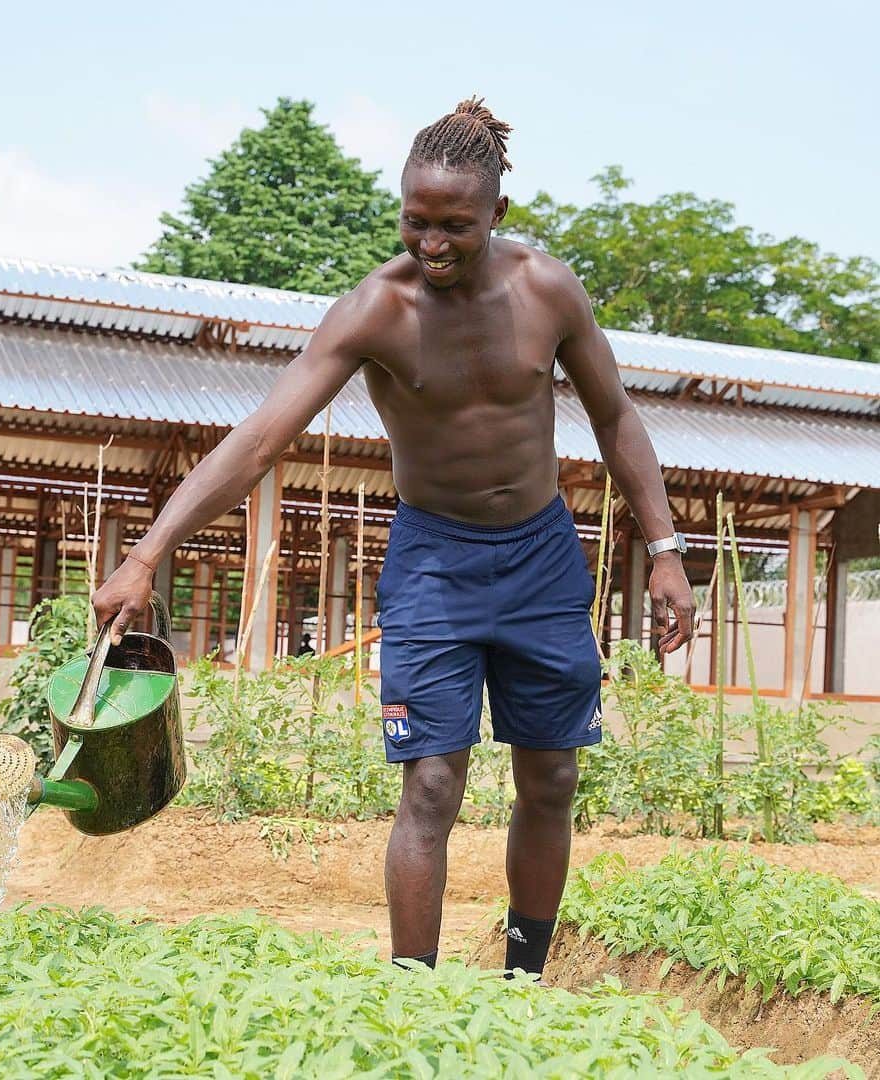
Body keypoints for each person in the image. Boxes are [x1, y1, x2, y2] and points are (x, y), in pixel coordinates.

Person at [94, 97, 695, 980]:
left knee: (552, 779)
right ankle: (413, 991)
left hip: (541, 557)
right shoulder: (375, 310)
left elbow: (616, 417)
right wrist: (148, 554)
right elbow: (262, 439)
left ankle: (524, 979)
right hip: (435, 564)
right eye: (416, 221)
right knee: (432, 784)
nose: (434, 243)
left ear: (498, 213)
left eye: (456, 224)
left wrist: (669, 551)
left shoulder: (548, 290)